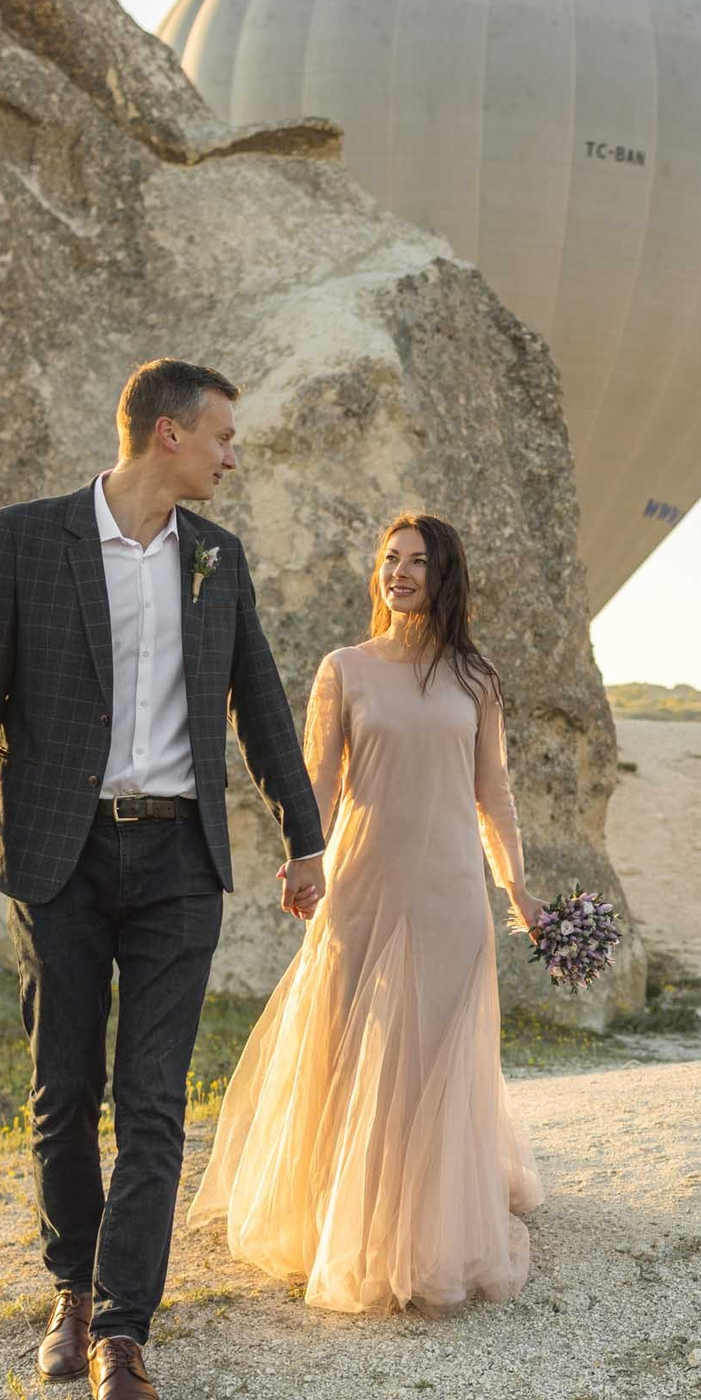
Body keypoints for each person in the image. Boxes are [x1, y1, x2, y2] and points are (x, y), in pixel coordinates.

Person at [0, 359, 326, 1400]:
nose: (235, 455)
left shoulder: (217, 561)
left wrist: (303, 839)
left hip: (178, 863)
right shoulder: (23, 540)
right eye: (225, 435)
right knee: (64, 1091)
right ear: (168, 435)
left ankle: (123, 1333)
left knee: (152, 1103)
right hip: (60, 857)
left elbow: (263, 708)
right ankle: (73, 1286)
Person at [187, 512, 548, 1313]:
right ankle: (341, 1224)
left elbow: (495, 795)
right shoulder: (344, 669)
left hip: (454, 887)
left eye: (417, 561)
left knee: (436, 1053)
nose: (399, 573)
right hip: (363, 883)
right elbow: (319, 780)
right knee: (354, 1048)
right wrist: (304, 857)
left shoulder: (476, 679)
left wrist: (518, 889)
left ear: (445, 576)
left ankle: (434, 1238)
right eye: (389, 560)